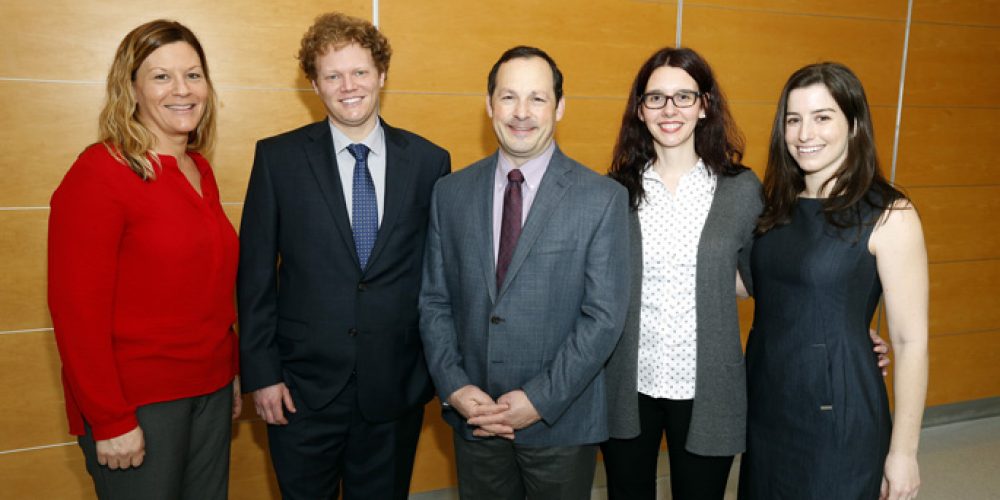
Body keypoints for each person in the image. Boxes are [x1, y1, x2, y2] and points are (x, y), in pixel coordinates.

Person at [237, 12, 450, 500]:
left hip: (394, 389)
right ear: (314, 84)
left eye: (359, 72)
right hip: (299, 391)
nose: (348, 86)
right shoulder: (278, 159)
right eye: (332, 76)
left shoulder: (429, 162)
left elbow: (437, 275)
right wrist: (263, 375)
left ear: (382, 75)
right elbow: (254, 278)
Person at [419, 45, 630, 499]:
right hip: (475, 419)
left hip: (560, 423)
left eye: (537, 98)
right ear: (489, 104)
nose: (521, 113)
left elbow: (604, 318)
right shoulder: (450, 193)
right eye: (508, 96)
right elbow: (434, 301)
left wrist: (539, 399)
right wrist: (455, 387)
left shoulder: (602, 198)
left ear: (560, 107)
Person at [47, 20, 240, 499]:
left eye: (193, 75)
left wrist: (230, 372)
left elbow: (208, 291)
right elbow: (76, 312)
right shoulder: (100, 172)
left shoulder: (198, 169)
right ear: (131, 88)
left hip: (211, 391)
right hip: (138, 404)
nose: (182, 90)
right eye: (161, 77)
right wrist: (109, 418)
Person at [739, 62, 928, 500]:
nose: (805, 134)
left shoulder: (890, 214)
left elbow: (910, 341)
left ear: (854, 124)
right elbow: (758, 287)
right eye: (793, 119)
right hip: (768, 408)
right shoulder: (777, 207)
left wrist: (903, 453)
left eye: (822, 117)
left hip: (841, 417)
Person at [601, 47, 762, 500]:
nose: (669, 110)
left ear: (704, 105)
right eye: (656, 98)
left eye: (684, 97)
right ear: (640, 109)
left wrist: (850, 328)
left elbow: (768, 279)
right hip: (629, 383)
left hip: (707, 385)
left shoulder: (741, 189)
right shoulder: (614, 191)